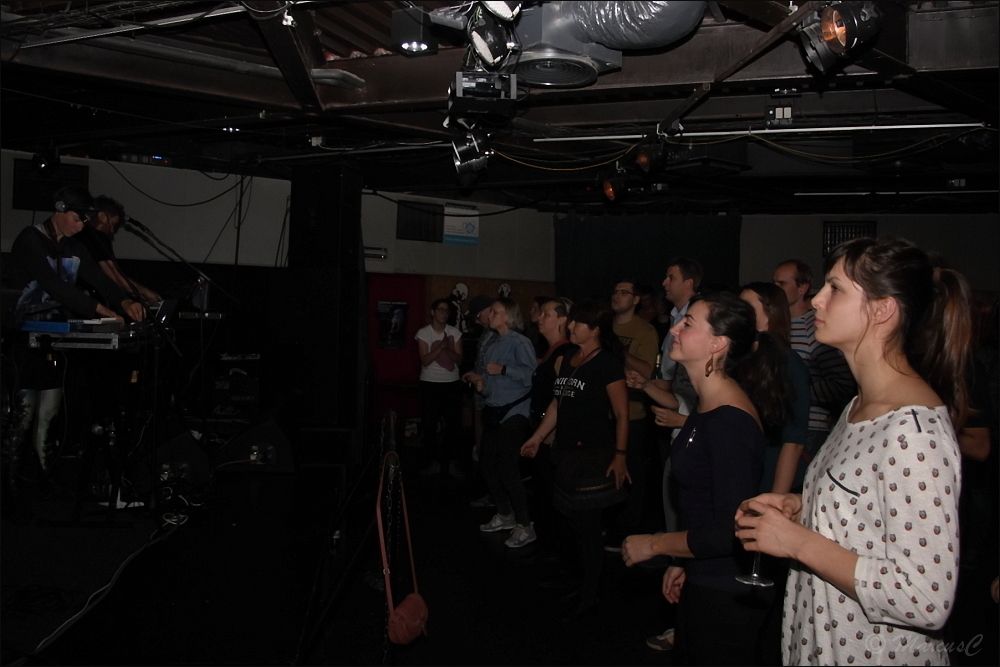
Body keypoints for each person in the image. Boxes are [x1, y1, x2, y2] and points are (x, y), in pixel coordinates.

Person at [737, 238, 972, 665]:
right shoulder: (858, 405)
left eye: (835, 289)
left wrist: (797, 542)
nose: (817, 300)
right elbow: (868, 517)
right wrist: (802, 507)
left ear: (882, 310)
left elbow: (925, 598)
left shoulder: (913, 430)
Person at [621, 292, 782, 664]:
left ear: (717, 344)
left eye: (688, 324)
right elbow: (702, 501)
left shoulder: (731, 422)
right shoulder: (707, 404)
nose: (674, 329)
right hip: (704, 574)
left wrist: (657, 544)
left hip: (726, 590)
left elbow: (730, 529)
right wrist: (682, 560)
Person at [8, 186, 144, 478]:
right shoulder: (30, 240)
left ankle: (42, 478)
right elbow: (54, 285)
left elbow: (98, 278)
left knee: (48, 415)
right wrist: (99, 309)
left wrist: (124, 301)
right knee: (21, 417)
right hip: (22, 341)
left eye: (84, 221)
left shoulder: (74, 247)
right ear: (60, 210)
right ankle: (11, 484)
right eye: (76, 219)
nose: (81, 226)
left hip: (53, 341)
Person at [521, 301, 629, 619]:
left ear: (594, 330)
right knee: (571, 523)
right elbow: (557, 404)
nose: (571, 327)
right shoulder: (569, 359)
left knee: (589, 527)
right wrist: (537, 437)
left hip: (593, 456)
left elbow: (622, 414)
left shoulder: (607, 363)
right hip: (566, 454)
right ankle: (579, 581)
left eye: (578, 323)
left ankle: (591, 593)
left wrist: (620, 456)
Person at [464, 298, 537, 548]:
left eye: (496, 312)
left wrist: (504, 370)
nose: (491, 315)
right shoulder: (493, 344)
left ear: (508, 316)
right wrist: (480, 383)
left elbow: (531, 376)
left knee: (508, 469)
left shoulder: (520, 342)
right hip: (494, 410)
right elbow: (489, 385)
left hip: (514, 413)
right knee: (487, 465)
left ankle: (525, 525)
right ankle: (505, 514)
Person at [772, 259, 855, 465]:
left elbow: (841, 383)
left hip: (809, 429)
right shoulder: (777, 325)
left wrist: (796, 394)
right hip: (780, 426)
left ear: (802, 288)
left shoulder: (814, 326)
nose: (775, 289)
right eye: (773, 283)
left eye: (782, 284)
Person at [739, 282, 810, 493]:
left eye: (746, 307)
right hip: (743, 470)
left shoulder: (789, 364)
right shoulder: (739, 360)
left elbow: (793, 441)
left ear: (770, 315)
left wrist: (776, 500)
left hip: (771, 473)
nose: (739, 313)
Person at [608, 279, 659, 545]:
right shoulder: (604, 325)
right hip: (603, 414)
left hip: (632, 414)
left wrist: (621, 352)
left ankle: (627, 533)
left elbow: (647, 371)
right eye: (615, 292)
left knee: (631, 475)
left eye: (624, 292)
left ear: (636, 299)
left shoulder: (645, 331)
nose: (617, 296)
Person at [77, 195, 162, 306]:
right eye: (112, 225)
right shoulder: (97, 237)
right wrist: (145, 292)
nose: (112, 231)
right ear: (102, 216)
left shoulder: (78, 236)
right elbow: (114, 276)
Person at [414, 298, 463, 478]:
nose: (444, 313)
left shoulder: (454, 332)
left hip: (451, 384)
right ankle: (431, 462)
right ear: (432, 312)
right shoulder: (423, 333)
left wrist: (447, 349)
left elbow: (459, 360)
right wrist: (440, 347)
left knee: (453, 425)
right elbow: (425, 361)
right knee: (429, 425)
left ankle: (450, 463)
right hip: (429, 384)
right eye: (440, 309)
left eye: (446, 310)